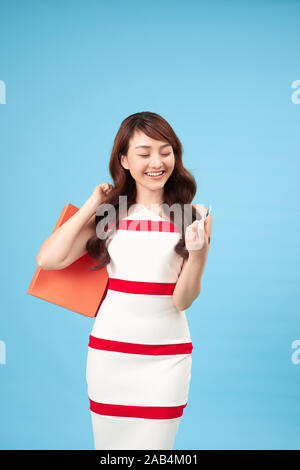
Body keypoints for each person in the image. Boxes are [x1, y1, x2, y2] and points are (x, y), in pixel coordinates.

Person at [36, 111, 212, 449]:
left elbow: (182, 300)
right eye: (144, 153)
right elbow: (49, 258)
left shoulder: (195, 216)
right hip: (110, 358)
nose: (156, 162)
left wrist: (199, 253)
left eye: (166, 151)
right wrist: (92, 204)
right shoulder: (108, 216)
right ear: (124, 160)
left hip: (166, 358)